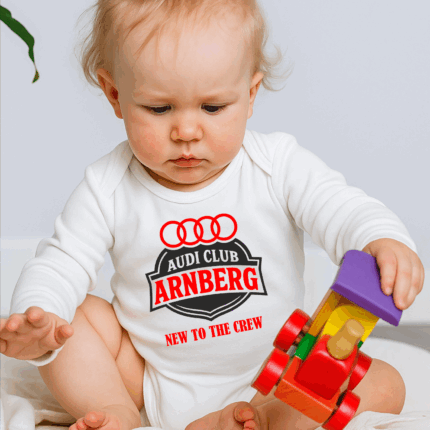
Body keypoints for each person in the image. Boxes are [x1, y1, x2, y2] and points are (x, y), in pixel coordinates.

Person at [0, 1, 425, 430]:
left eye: (213, 107)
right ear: (115, 94)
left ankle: (262, 419)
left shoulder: (276, 165)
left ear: (250, 94)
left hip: (277, 377)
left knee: (385, 384)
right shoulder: (107, 186)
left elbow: (340, 207)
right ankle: (114, 409)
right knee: (76, 318)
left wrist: (381, 238)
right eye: (159, 109)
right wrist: (39, 316)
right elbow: (61, 262)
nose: (187, 131)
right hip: (150, 378)